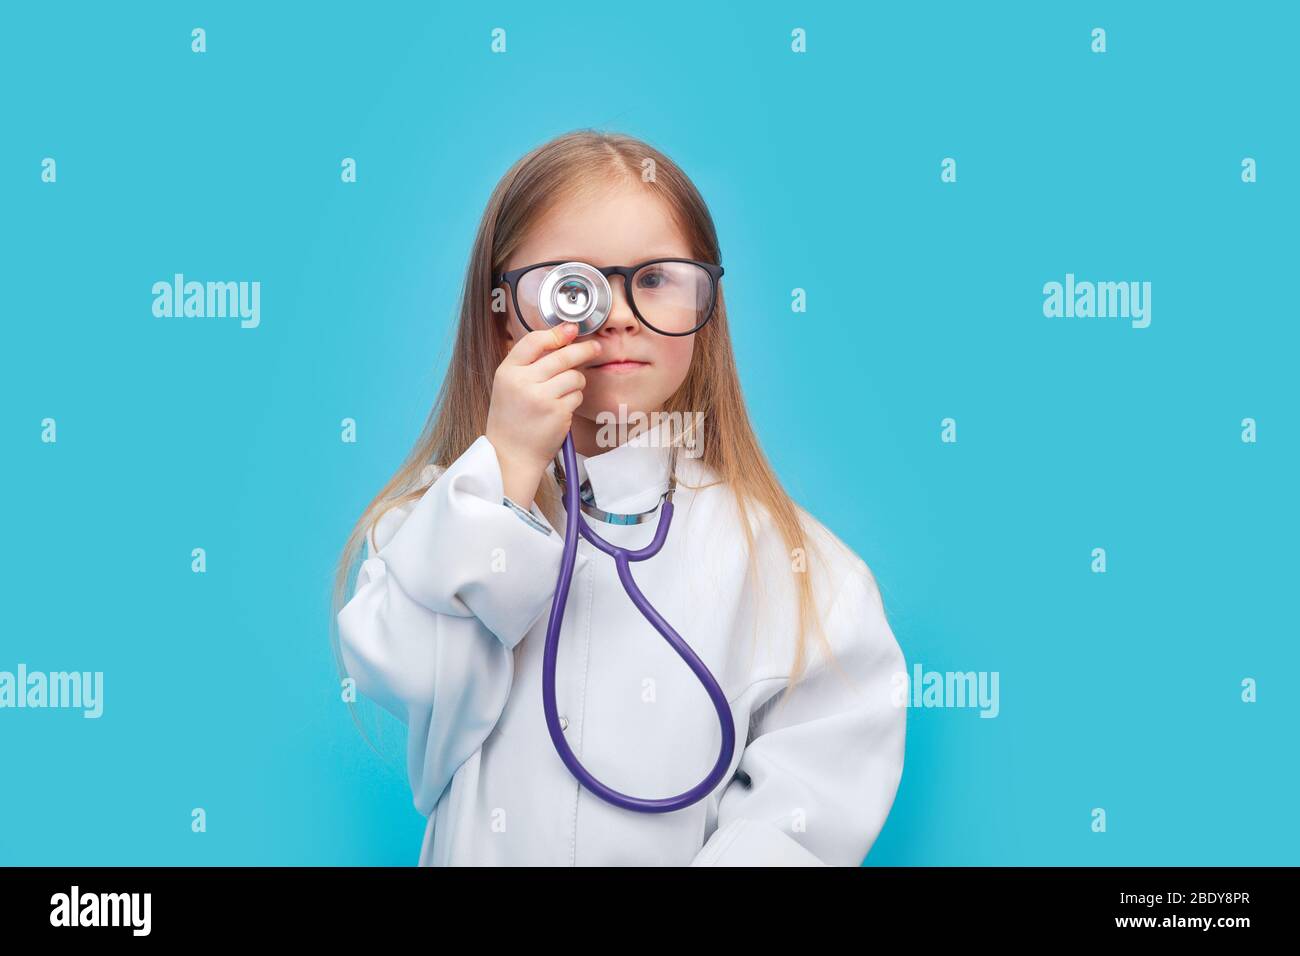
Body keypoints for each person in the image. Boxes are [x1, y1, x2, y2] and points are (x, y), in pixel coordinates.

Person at [331, 129, 907, 866]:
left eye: (658, 278)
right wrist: (503, 475)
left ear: (708, 302)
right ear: (503, 307)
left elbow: (811, 805)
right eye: (577, 284)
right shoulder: (431, 524)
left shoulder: (797, 571)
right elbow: (409, 673)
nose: (620, 314)